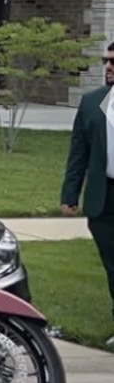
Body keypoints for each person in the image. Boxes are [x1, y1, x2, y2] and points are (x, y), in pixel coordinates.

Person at [61, 38, 114, 346]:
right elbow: (78, 152)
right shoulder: (92, 103)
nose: (108, 66)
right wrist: (70, 194)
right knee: (112, 265)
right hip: (103, 197)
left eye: (113, 62)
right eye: (106, 60)